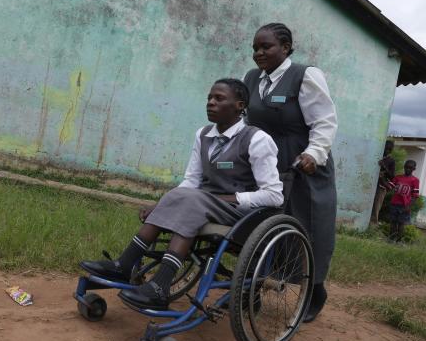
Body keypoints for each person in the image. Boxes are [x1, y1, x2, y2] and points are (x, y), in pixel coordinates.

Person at [80, 79, 284, 309]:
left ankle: (159, 285)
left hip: (238, 214)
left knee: (191, 198)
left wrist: (229, 199)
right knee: (184, 194)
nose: (210, 103)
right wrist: (161, 206)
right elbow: (191, 181)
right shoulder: (203, 135)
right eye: (209, 97)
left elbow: (274, 195)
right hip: (201, 205)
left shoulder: (257, 140)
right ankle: (123, 266)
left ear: (239, 105)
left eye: (219, 98)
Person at [242, 22, 337, 323]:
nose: (259, 53)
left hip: (302, 162)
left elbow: (324, 121)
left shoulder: (305, 76)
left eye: (266, 47)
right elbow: (245, 119)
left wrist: (314, 154)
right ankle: (251, 286)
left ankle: (313, 289)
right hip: (264, 162)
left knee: (307, 226)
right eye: (255, 48)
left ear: (285, 47)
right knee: (256, 222)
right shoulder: (251, 78)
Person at [389, 160, 419, 242]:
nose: (407, 169)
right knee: (393, 222)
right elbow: (390, 187)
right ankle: (391, 239)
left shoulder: (415, 180)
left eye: (410, 168)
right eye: (406, 167)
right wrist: (382, 178)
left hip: (404, 206)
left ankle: (398, 241)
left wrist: (409, 206)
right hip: (394, 203)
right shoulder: (398, 177)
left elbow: (415, 196)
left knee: (401, 224)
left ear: (414, 169)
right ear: (404, 167)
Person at [371, 141, 396, 225]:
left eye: (389, 149)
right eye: (386, 148)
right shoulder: (377, 155)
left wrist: (384, 167)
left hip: (381, 186)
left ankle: (373, 224)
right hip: (372, 184)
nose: (387, 151)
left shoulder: (391, 161)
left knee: (376, 206)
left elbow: (392, 176)